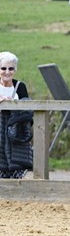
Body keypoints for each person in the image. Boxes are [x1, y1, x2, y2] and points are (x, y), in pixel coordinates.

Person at [0, 51, 33, 179]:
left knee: (16, 175)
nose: (7, 72)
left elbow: (27, 112)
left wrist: (13, 105)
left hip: (15, 135)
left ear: (15, 70)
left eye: (11, 68)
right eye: (3, 68)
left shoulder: (20, 87)